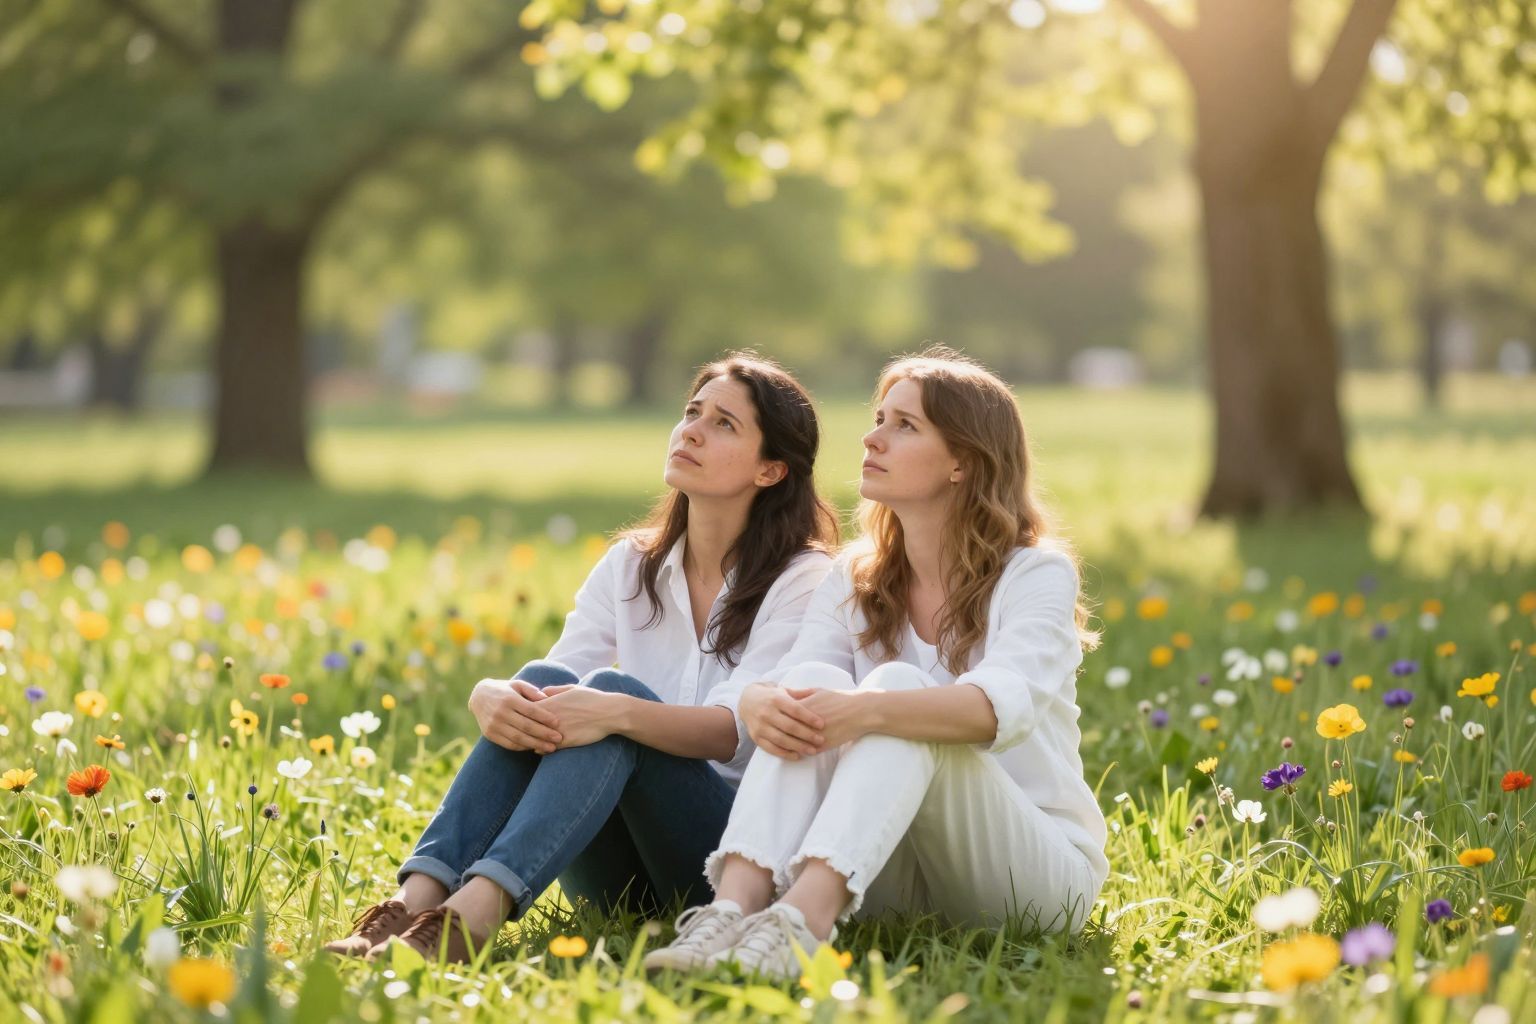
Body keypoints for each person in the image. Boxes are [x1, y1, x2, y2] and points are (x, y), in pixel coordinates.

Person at [323, 353, 838, 963]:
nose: (691, 431)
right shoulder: (630, 566)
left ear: (772, 469)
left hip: (724, 870)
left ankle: (473, 916)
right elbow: (556, 689)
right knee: (551, 684)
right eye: (691, 412)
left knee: (614, 705)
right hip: (610, 867)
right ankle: (414, 903)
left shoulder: (803, 580)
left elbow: (738, 733)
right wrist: (489, 694)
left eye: (725, 424)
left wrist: (618, 713)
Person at [644, 347, 1106, 980]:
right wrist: (756, 702)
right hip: (880, 867)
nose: (872, 437)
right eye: (879, 418)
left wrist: (865, 711)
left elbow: (996, 709)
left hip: (1029, 880)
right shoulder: (854, 576)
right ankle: (734, 911)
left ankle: (799, 926)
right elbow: (786, 685)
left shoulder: (1034, 573)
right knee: (810, 685)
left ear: (962, 463)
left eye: (904, 426)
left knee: (895, 693)